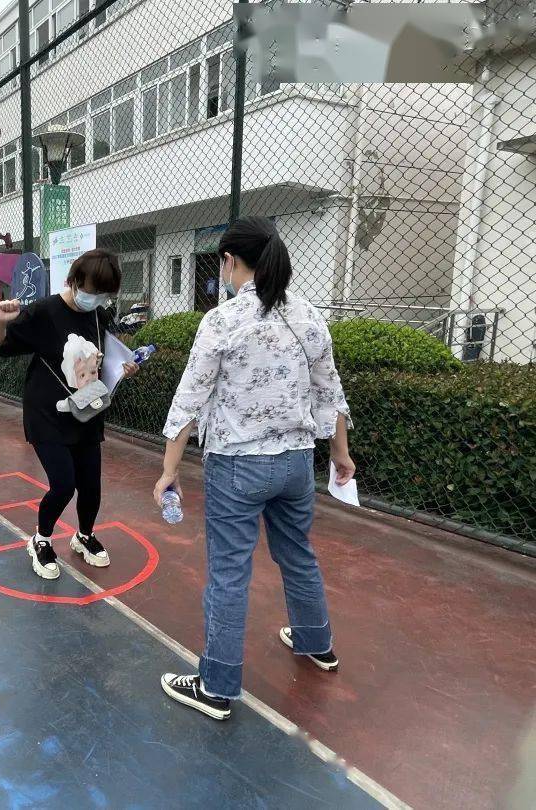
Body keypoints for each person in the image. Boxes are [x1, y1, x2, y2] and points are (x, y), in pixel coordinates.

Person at [152, 217, 354, 721]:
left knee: (229, 573)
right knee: (298, 554)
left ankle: (217, 686)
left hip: (237, 466)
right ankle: (317, 643)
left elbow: (189, 400)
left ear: (228, 261)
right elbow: (330, 392)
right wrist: (340, 454)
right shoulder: (308, 315)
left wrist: (169, 471)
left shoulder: (222, 321)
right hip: (296, 463)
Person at [0, 249, 138, 580]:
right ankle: (40, 540)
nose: (96, 299)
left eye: (104, 294)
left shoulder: (98, 315)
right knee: (63, 485)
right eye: (93, 291)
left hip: (86, 412)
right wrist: (0, 321)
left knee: (91, 486)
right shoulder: (44, 312)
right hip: (47, 415)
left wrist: (121, 368)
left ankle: (84, 536)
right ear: (73, 280)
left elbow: (100, 361)